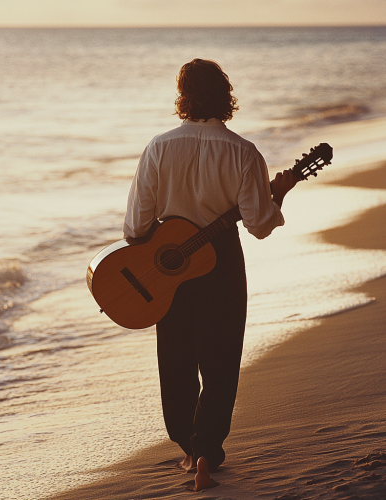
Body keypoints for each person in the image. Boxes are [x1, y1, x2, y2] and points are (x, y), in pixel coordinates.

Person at [123, 59, 297, 491]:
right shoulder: (243, 151)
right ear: (226, 97)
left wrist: (163, 242)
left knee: (176, 361)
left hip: (169, 263)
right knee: (221, 363)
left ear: (183, 97)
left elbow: (134, 229)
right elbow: (257, 224)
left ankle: (186, 447)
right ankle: (206, 451)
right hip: (220, 260)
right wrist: (277, 197)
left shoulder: (158, 148)